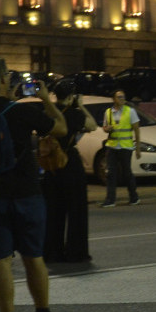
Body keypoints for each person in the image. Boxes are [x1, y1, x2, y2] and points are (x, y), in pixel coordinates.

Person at [0, 56, 66, 312]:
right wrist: (46, 100)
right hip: (26, 194)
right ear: (3, 80)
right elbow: (60, 127)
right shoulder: (21, 112)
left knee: (0, 260)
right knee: (33, 257)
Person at [43, 81, 95, 263]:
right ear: (71, 96)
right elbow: (92, 126)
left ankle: (52, 252)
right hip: (70, 163)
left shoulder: (48, 112)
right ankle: (76, 252)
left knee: (53, 210)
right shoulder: (74, 114)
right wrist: (80, 105)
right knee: (76, 210)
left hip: (51, 164)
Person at [100, 90, 141, 207]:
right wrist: (106, 128)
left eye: (123, 97)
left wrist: (137, 148)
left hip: (125, 146)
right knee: (111, 173)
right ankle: (110, 200)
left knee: (127, 173)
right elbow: (104, 127)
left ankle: (134, 197)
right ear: (114, 99)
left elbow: (137, 130)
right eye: (119, 97)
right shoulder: (108, 112)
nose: (122, 99)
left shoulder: (130, 111)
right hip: (112, 146)